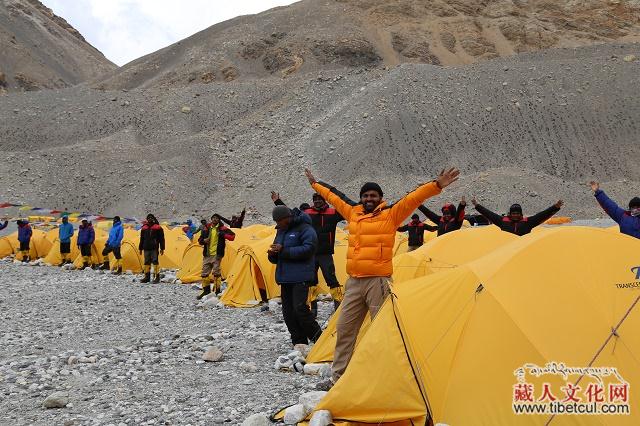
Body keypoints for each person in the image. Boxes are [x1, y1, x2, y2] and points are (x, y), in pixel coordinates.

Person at [306, 167, 460, 390]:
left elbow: (414, 198)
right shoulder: (352, 213)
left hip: (378, 281)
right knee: (345, 329)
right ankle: (338, 378)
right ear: (361, 198)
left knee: (384, 330)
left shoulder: (390, 214)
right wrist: (315, 184)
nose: (369, 199)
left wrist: (436, 185)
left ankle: (387, 377)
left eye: (373, 196)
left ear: (380, 198)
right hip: (355, 281)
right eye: (366, 196)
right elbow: (333, 196)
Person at [271, 190, 345, 313]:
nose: (317, 201)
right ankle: (312, 307)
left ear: (325, 200)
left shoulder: (332, 213)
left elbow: (347, 211)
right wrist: (278, 202)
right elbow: (290, 214)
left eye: (320, 199)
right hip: (310, 254)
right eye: (315, 200)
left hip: (325, 253)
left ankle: (338, 306)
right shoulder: (308, 213)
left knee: (331, 279)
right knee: (311, 281)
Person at [268, 205, 322, 350]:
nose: (277, 225)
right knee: (288, 313)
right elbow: (278, 253)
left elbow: (309, 249)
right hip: (285, 277)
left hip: (301, 276)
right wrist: (273, 255)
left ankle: (319, 340)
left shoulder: (305, 228)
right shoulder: (281, 231)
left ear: (287, 218)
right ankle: (299, 343)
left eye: (279, 221)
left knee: (300, 309)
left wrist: (284, 250)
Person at [471, 198, 563, 236]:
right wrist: (477, 206)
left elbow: (542, 215)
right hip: (505, 250)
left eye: (517, 213)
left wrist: (555, 207)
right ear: (510, 214)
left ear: (521, 214)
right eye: (513, 213)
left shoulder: (528, 222)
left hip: (521, 251)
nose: (515, 215)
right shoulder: (503, 221)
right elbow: (489, 214)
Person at [197, 214, 235, 299]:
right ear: (211, 219)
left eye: (217, 218)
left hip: (217, 254)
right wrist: (204, 241)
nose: (215, 219)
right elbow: (199, 240)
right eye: (213, 218)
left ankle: (217, 291)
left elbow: (233, 236)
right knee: (204, 273)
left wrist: (222, 235)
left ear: (219, 220)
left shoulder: (223, 229)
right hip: (207, 254)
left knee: (216, 272)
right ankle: (206, 291)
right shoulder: (206, 228)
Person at [138, 214, 165, 283]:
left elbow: (161, 239)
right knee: (146, 262)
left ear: (153, 219)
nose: (150, 219)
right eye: (148, 218)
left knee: (155, 261)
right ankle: (147, 277)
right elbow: (142, 239)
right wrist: (140, 248)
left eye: (151, 218)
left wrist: (162, 248)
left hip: (154, 248)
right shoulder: (144, 228)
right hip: (146, 247)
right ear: (147, 219)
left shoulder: (158, 227)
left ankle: (156, 277)